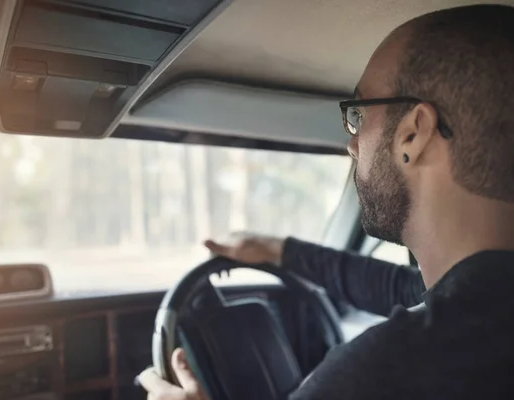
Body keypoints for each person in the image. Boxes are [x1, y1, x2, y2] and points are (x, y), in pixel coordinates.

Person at [139, 4, 514, 399]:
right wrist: (280, 251)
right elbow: (402, 288)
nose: (352, 144)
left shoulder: (381, 374)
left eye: (360, 115)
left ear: (413, 134)